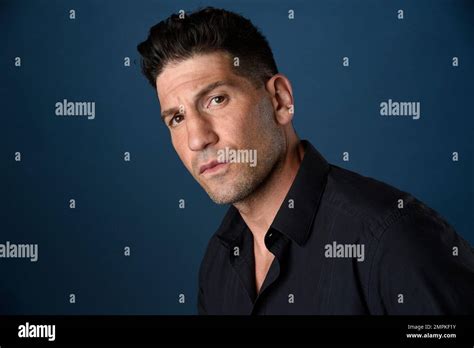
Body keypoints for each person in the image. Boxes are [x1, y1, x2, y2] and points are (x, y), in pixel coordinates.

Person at [137, 7, 474, 315]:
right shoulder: (219, 261)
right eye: (177, 119)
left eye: (216, 99)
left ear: (280, 100)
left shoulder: (393, 240)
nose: (197, 139)